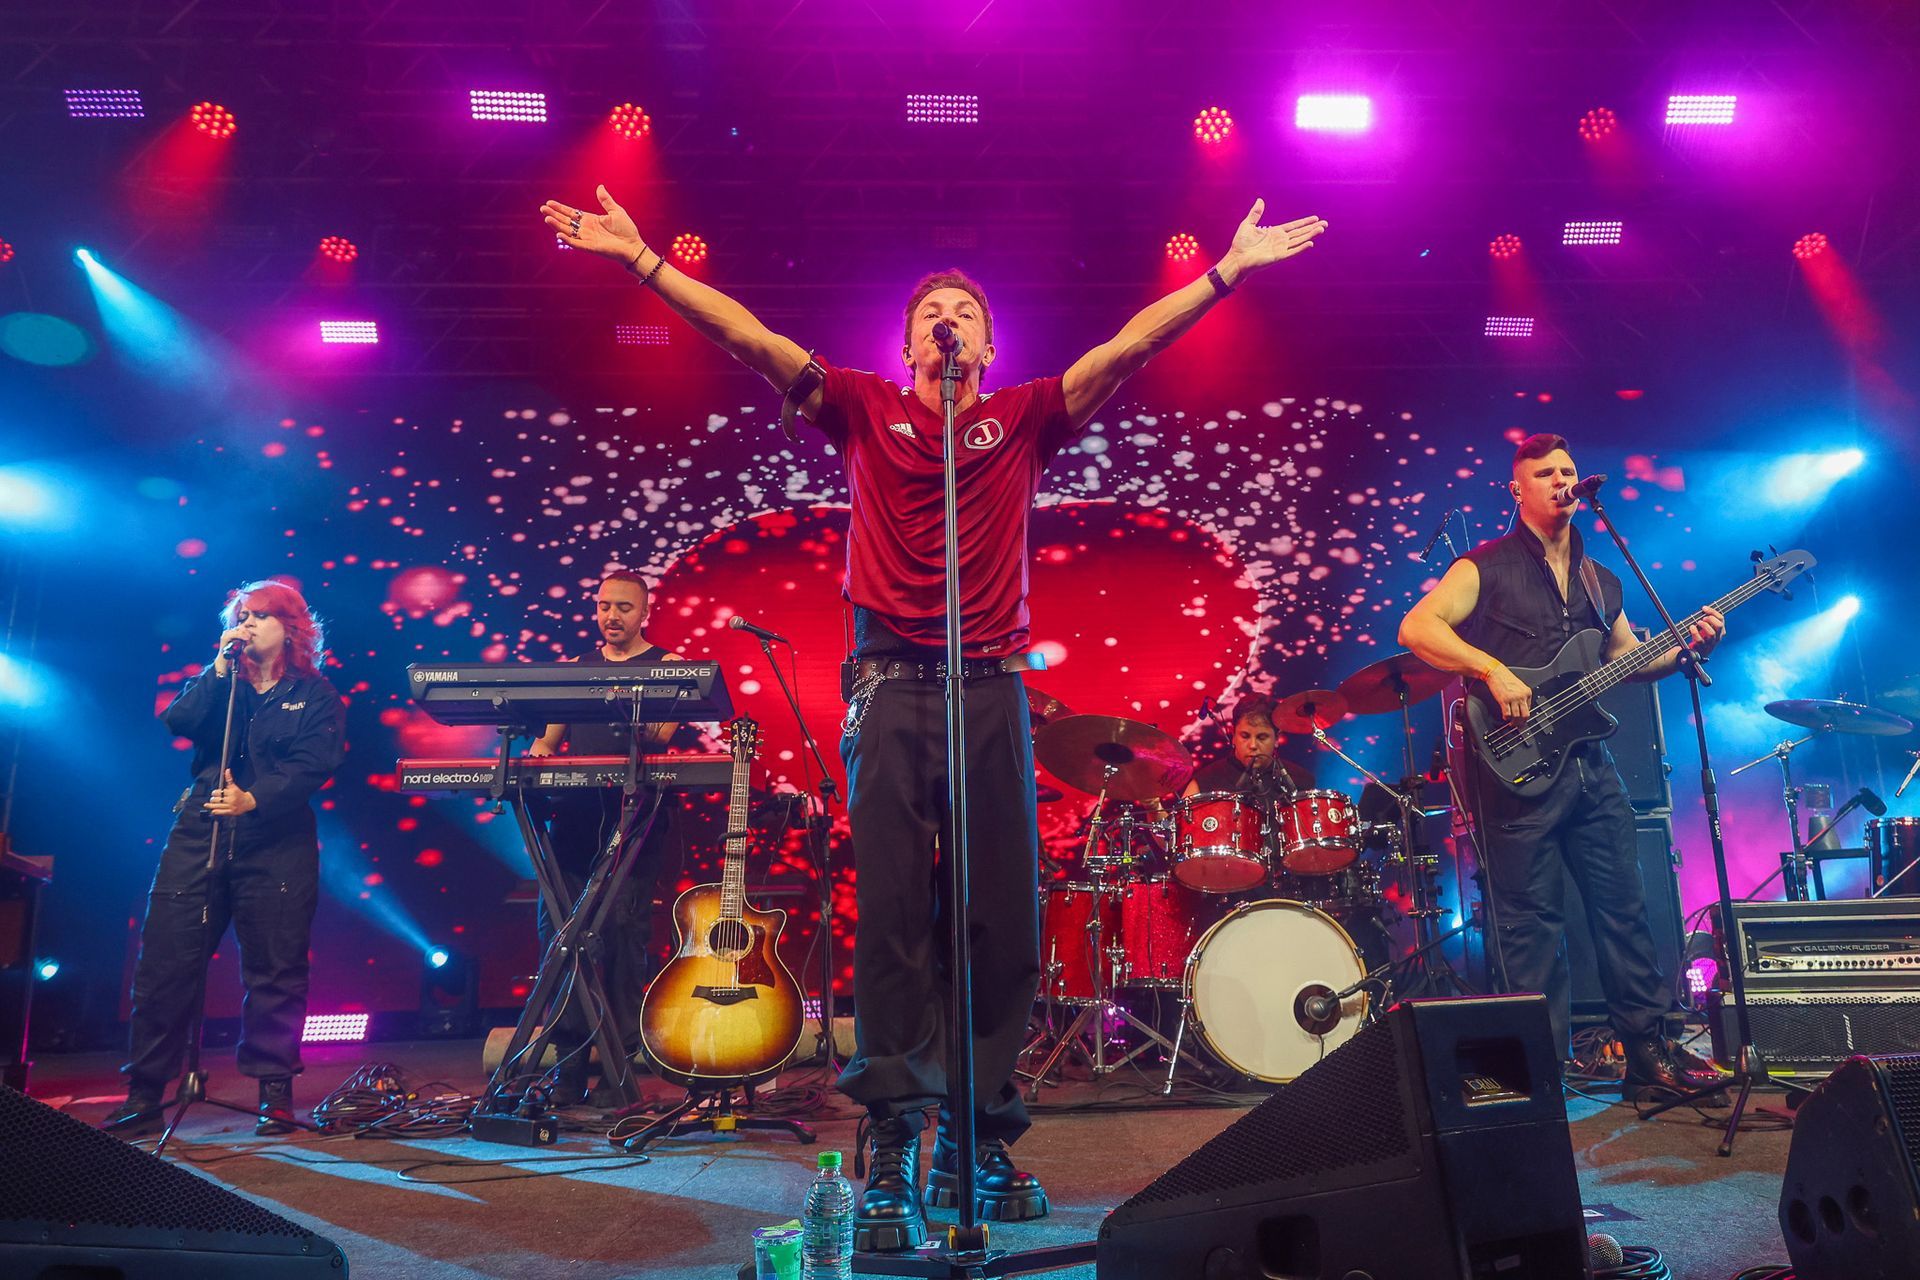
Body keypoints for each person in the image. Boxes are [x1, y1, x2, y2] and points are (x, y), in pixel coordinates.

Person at [540, 183, 1326, 1248]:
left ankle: (983, 1128)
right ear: (907, 344)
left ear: (989, 347)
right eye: (927, 317)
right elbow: (754, 339)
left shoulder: (1023, 418)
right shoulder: (863, 406)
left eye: (963, 317)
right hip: (892, 682)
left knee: (999, 911)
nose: (944, 325)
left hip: (992, 683)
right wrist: (643, 261)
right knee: (902, 914)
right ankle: (897, 1131)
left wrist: (1224, 272)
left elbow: (1129, 347)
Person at [1398, 433, 1727, 1099]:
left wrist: (1686, 646)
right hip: (1514, 769)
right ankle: (1535, 1073)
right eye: (1545, 473)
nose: (1560, 481)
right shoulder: (1482, 567)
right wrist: (1488, 668)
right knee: (1530, 925)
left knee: (1624, 909)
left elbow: (1628, 657)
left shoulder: (1600, 577)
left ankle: (1647, 1055)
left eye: (1568, 471)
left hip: (1588, 764)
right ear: (1516, 490)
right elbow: (1417, 629)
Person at [106, 581, 346, 1136]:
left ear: (290, 628)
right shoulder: (220, 683)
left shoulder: (315, 695)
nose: (249, 624)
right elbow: (179, 721)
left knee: (276, 970)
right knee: (165, 966)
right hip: (200, 833)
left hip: (276, 841)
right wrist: (217, 667)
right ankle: (144, 1094)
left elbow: (315, 764)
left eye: (262, 616)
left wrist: (255, 799)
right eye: (242, 616)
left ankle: (274, 1095)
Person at [526, 570, 678, 1105]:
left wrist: (626, 706)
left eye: (624, 608)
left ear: (645, 613)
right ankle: (567, 1066)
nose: (612, 616)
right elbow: (548, 741)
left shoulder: (669, 668)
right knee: (562, 937)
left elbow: (659, 738)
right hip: (575, 818)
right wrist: (537, 757)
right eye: (603, 606)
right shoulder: (575, 670)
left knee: (620, 937)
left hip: (633, 819)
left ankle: (617, 1069)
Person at [1182, 694, 1312, 799]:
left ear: (1277, 738)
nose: (1253, 745)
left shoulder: (1300, 781)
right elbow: (1179, 827)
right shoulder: (1206, 781)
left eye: (1262, 737)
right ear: (1233, 736)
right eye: (1245, 736)